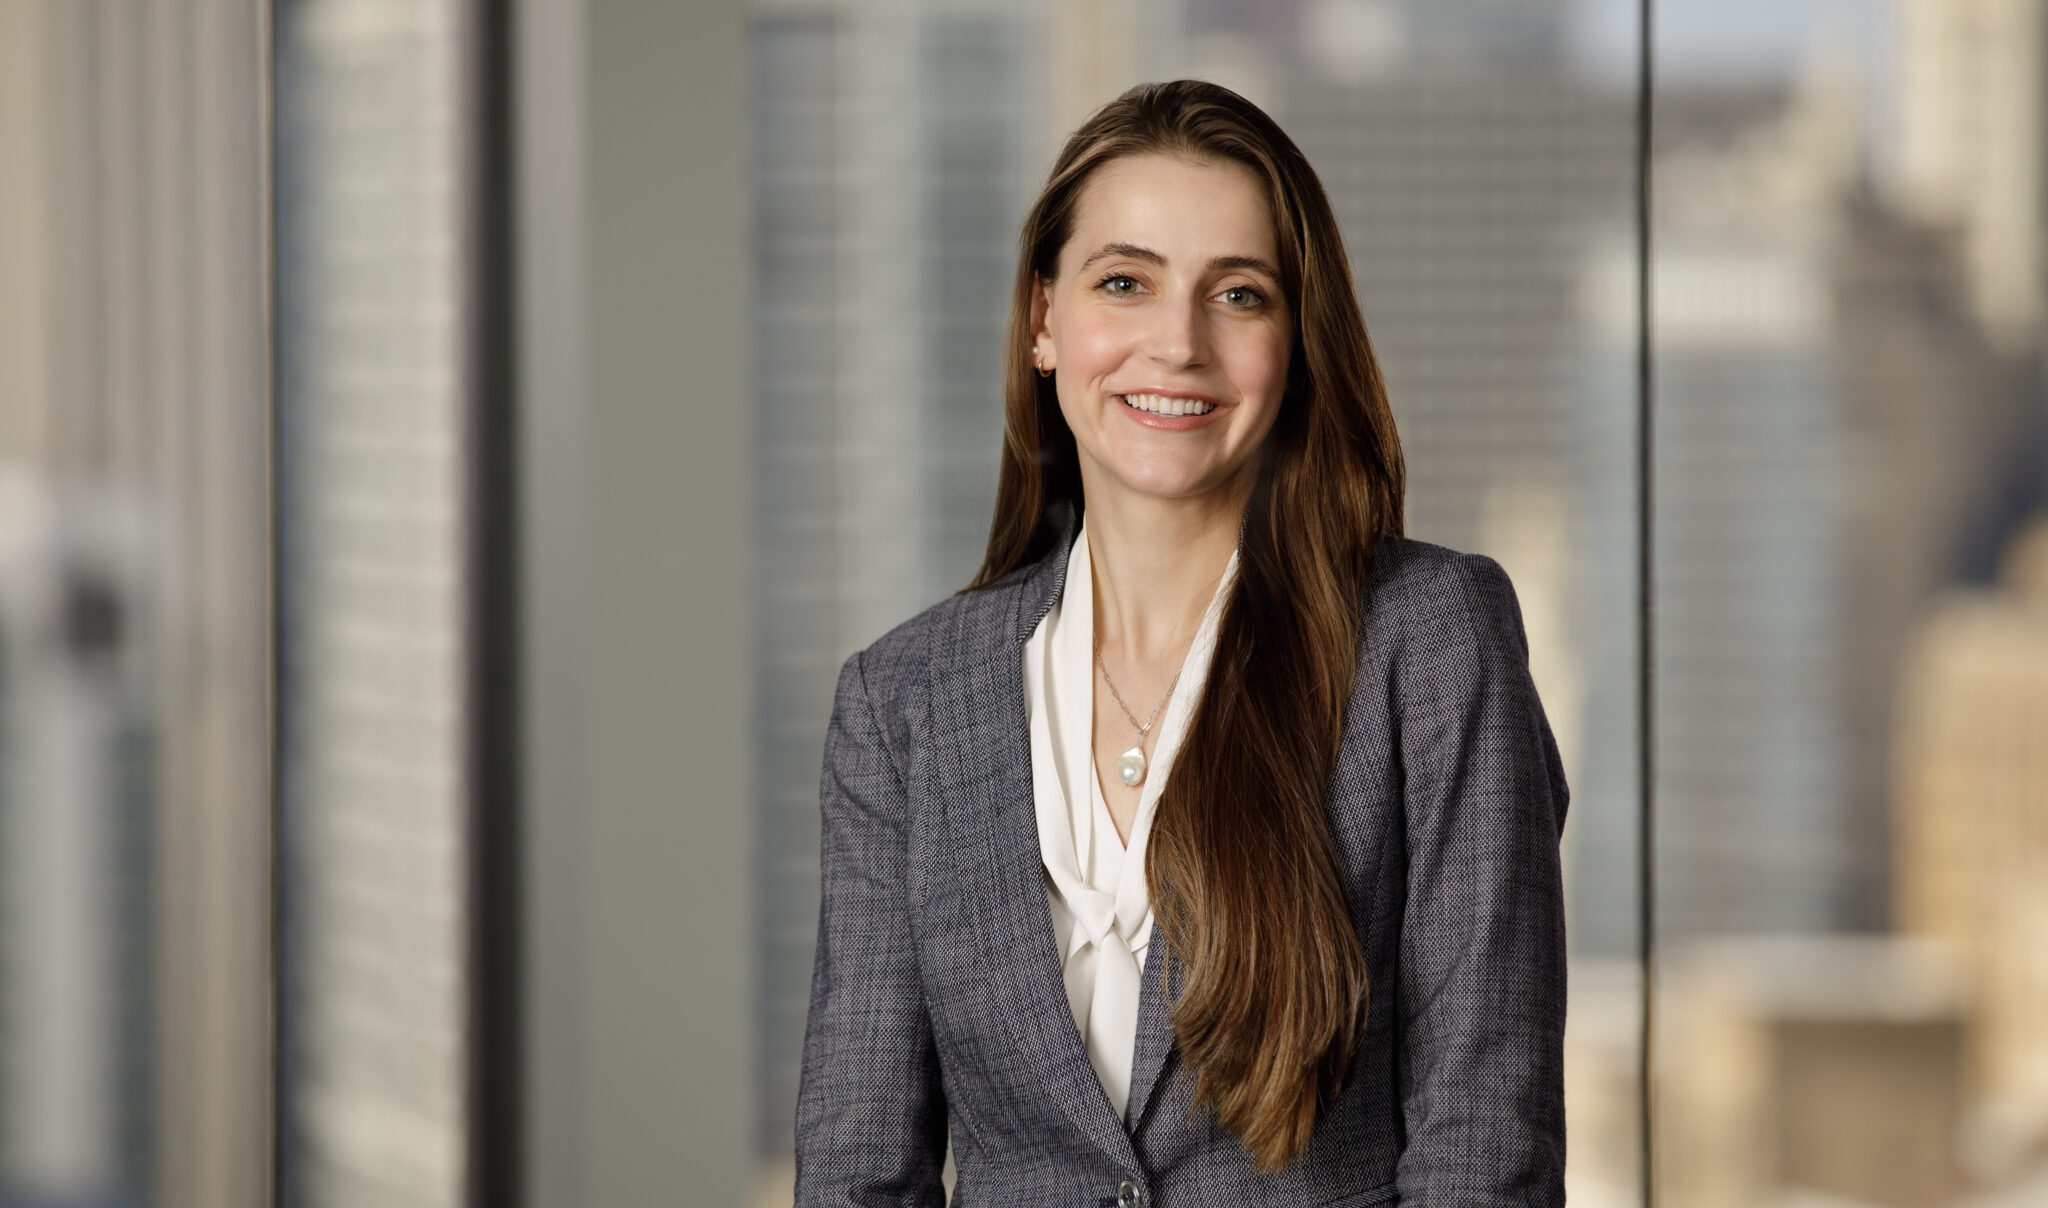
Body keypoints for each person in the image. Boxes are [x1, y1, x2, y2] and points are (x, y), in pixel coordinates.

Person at [794, 78, 1570, 1207]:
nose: (1177, 342)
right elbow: (858, 1170)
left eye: (1239, 295)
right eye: (1123, 282)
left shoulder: (1429, 641)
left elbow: (1482, 1150)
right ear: (1043, 321)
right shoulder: (900, 702)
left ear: (1297, 342)